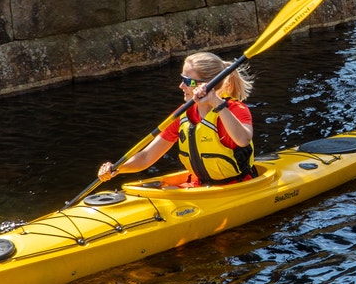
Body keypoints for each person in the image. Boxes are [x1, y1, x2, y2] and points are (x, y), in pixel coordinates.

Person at [98, 52, 256, 187]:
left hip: (237, 186)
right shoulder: (183, 115)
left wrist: (216, 102)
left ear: (207, 85)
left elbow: (243, 139)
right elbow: (146, 156)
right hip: (200, 186)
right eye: (182, 79)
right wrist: (117, 169)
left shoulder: (235, 110)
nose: (181, 86)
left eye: (188, 81)